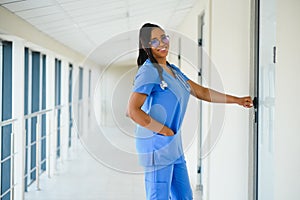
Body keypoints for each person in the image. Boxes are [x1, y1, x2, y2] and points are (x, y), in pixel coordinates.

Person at [127, 23, 253, 200]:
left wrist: (236, 100)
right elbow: (133, 111)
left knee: (184, 196)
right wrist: (165, 130)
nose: (162, 43)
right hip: (156, 145)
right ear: (146, 46)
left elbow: (201, 92)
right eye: (154, 41)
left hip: (173, 145)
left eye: (164, 38)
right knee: (159, 197)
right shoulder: (148, 71)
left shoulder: (174, 71)